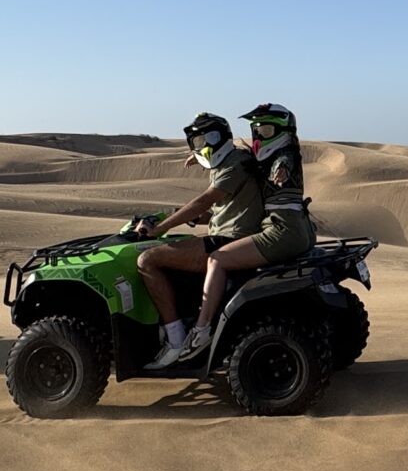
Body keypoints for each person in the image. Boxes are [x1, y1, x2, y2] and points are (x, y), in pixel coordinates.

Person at [129, 112, 264, 370]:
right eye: (197, 141)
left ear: (219, 137)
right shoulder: (233, 162)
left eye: (205, 139)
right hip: (228, 233)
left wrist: (160, 228)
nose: (201, 147)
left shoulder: (234, 165)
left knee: (148, 259)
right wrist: (193, 219)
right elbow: (225, 209)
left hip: (230, 240)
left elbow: (204, 201)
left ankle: (176, 340)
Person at [191, 102, 315, 342]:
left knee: (217, 260)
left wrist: (282, 170)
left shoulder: (285, 155)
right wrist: (199, 156)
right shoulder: (267, 159)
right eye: (256, 130)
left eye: (266, 131)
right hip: (301, 230)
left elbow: (285, 160)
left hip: (282, 231)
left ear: (283, 131)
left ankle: (201, 328)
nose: (258, 135)